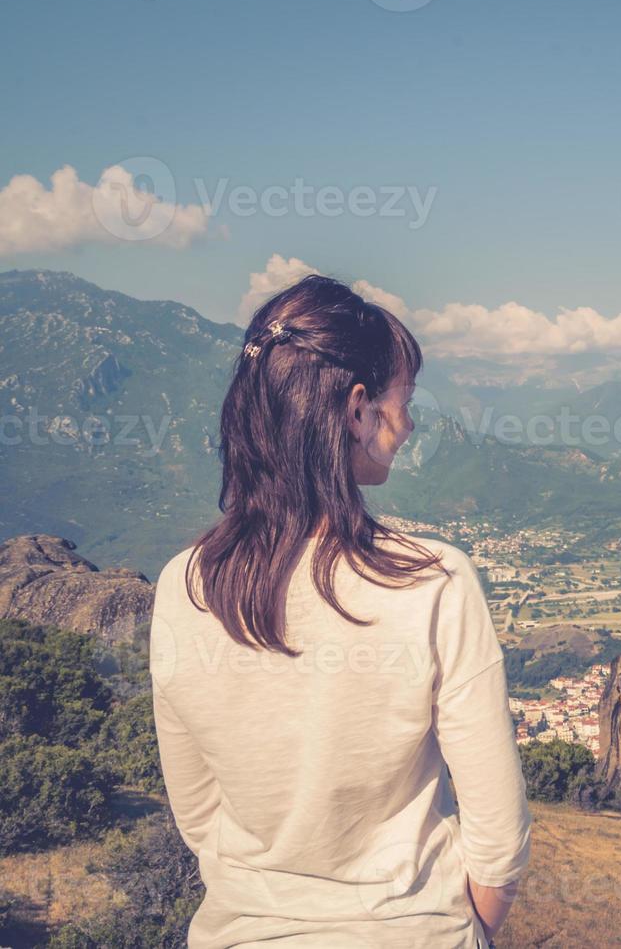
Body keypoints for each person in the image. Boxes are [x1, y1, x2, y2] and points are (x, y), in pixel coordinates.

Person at [148, 275, 530, 946]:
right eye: (402, 401)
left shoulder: (185, 586)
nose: (407, 425)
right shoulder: (433, 582)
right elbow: (498, 843)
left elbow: (200, 818)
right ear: (358, 410)